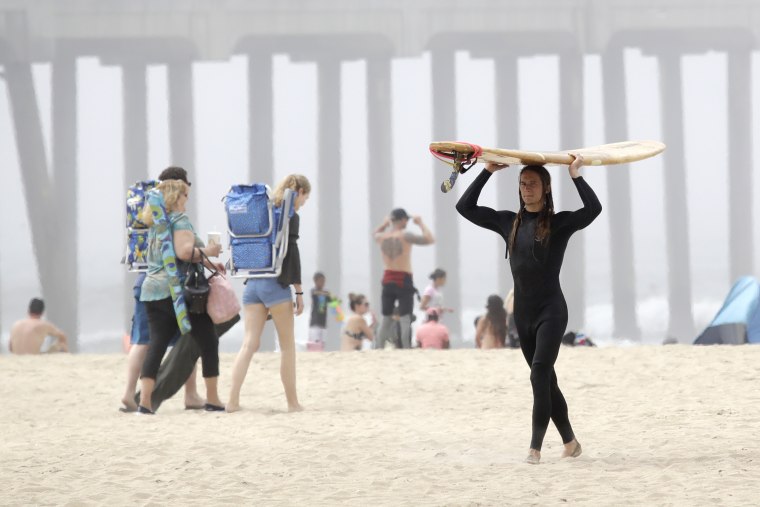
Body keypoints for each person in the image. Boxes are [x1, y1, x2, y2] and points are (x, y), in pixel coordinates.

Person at [456, 154, 601, 464]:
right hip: (522, 314)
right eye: (523, 184)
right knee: (547, 380)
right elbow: (464, 207)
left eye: (533, 183)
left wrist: (576, 175)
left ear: (545, 188)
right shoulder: (509, 222)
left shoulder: (559, 224)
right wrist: (486, 172)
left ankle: (534, 448)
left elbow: (593, 210)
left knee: (538, 374)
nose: (527, 189)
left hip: (552, 310)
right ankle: (571, 442)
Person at [137, 178, 226, 415]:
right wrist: (210, 251)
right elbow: (185, 252)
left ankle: (145, 401)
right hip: (178, 292)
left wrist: (209, 262)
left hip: (151, 290)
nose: (188, 199)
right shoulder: (179, 221)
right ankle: (213, 398)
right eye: (185, 195)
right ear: (176, 198)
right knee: (208, 339)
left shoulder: (156, 225)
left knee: (157, 344)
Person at [120, 167, 203, 413]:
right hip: (170, 286)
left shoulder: (148, 212)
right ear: (178, 186)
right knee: (188, 340)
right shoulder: (175, 217)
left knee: (142, 342)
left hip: (144, 282)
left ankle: (128, 394)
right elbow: (184, 252)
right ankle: (191, 394)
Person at [226, 174, 310, 413]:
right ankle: (293, 403)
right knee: (287, 347)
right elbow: (291, 254)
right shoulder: (288, 217)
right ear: (299, 192)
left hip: (252, 285)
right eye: (305, 197)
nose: (304, 202)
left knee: (248, 344)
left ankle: (232, 401)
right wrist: (299, 291)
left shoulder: (264, 213)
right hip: (275, 285)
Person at [373, 208, 434, 349]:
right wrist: (420, 223)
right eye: (406, 219)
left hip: (387, 279)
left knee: (386, 317)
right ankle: (406, 347)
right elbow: (429, 239)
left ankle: (378, 347)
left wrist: (384, 224)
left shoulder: (381, 237)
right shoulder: (406, 235)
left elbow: (374, 234)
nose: (407, 221)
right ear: (401, 220)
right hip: (403, 278)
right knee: (405, 317)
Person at [308, 272, 334, 351]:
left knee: (322, 344)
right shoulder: (314, 291)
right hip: (315, 322)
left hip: (323, 322)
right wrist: (327, 293)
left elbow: (333, 302)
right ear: (315, 281)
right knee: (315, 343)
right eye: (321, 281)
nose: (322, 283)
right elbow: (318, 294)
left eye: (324, 281)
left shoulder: (326, 293)